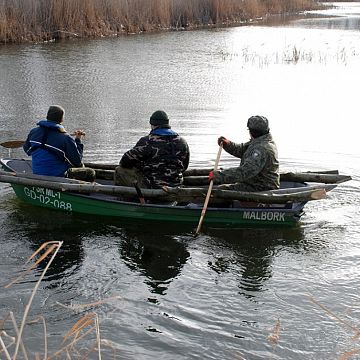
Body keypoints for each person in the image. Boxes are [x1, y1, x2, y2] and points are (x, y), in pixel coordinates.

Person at [114, 110, 190, 188]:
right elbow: (184, 166)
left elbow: (125, 161)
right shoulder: (182, 142)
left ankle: (123, 196)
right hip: (176, 185)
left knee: (120, 170)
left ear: (152, 124)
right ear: (167, 123)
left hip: (152, 186)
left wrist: (140, 166)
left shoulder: (147, 141)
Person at [23, 105, 95, 181]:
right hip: (58, 176)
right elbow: (77, 163)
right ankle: (77, 191)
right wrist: (78, 140)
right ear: (62, 120)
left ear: (47, 116)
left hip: (37, 173)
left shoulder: (33, 132)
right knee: (91, 172)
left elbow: (27, 150)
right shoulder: (65, 138)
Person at [209, 115, 279, 191]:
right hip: (255, 182)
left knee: (222, 190)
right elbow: (242, 150)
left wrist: (219, 175)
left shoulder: (261, 149)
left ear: (251, 131)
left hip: (261, 187)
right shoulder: (262, 141)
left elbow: (246, 171)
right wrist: (228, 145)